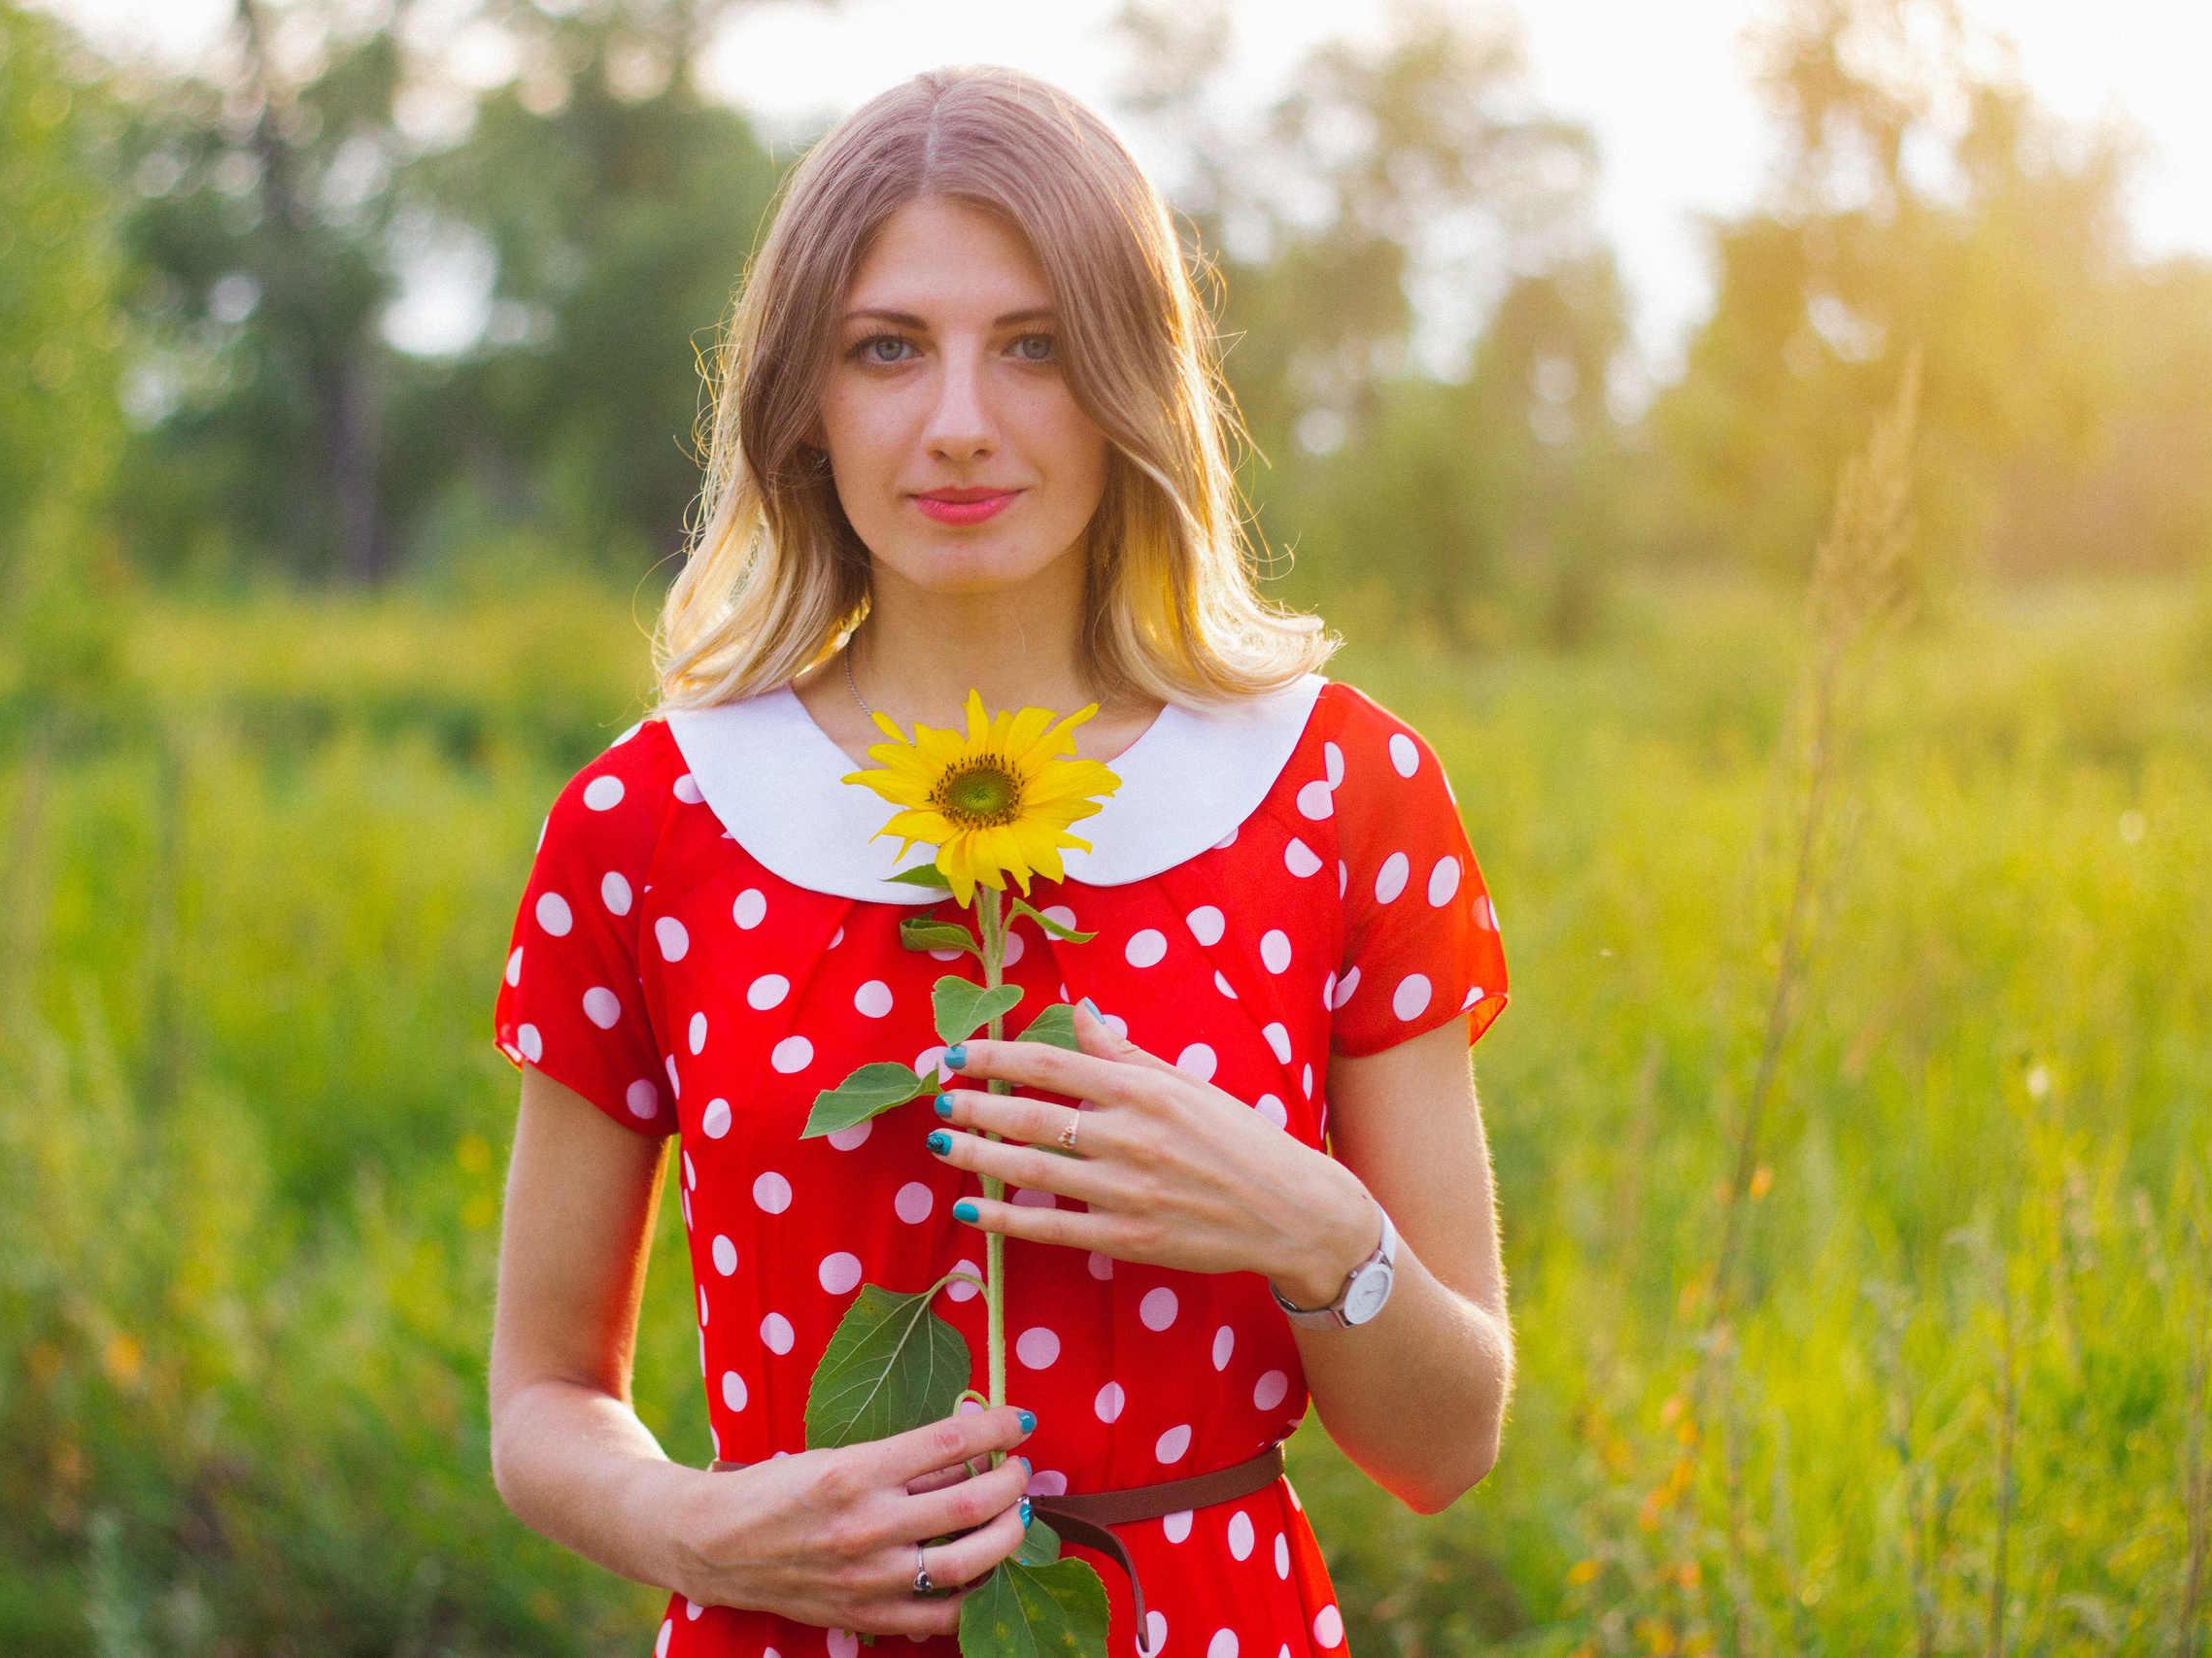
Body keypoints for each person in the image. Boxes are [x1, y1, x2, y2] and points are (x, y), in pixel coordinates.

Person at [486, 64, 1512, 1658]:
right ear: (804, 400)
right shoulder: (651, 821)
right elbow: (544, 1395)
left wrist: (1313, 1224)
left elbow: (1445, 1446)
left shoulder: (1337, 793)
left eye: (1033, 346)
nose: (958, 425)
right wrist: (697, 1525)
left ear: (1129, 379)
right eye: (886, 348)